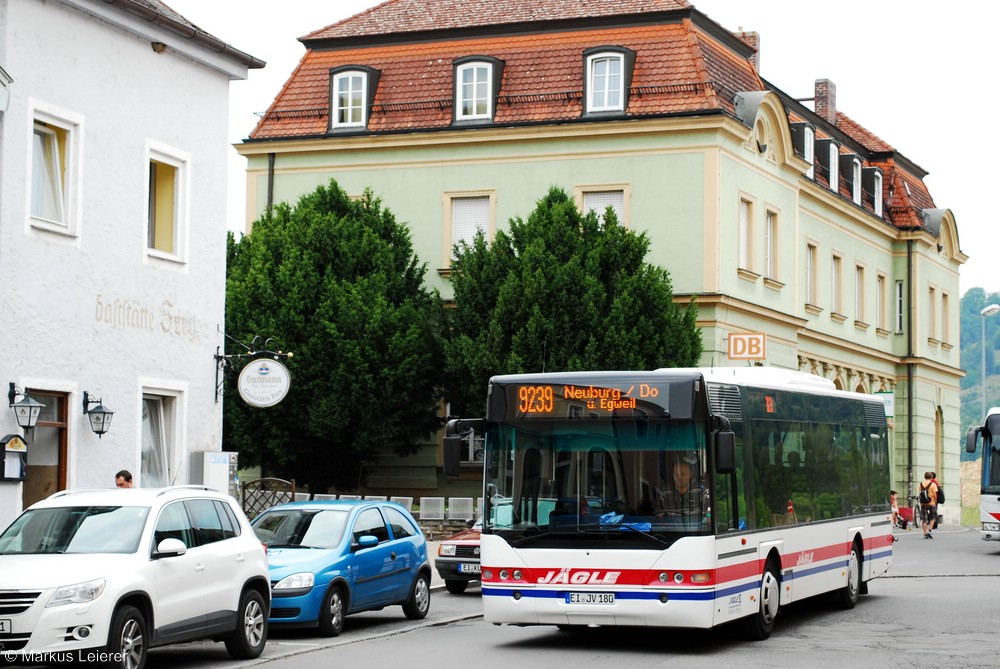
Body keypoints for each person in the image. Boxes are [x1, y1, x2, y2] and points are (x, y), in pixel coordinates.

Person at [656, 457, 708, 527]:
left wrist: (707, 517)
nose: (679, 478)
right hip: (670, 532)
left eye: (683, 474)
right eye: (676, 475)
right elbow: (658, 514)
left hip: (696, 533)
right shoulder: (665, 493)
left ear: (690, 474)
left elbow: (709, 512)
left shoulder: (700, 491)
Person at [918, 471, 938, 539]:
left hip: (923, 503)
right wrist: (935, 502)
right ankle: (929, 530)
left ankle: (925, 533)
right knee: (933, 517)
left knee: (924, 519)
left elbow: (920, 493)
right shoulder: (933, 484)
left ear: (925, 477)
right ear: (932, 477)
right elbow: (935, 495)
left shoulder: (921, 484)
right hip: (931, 503)